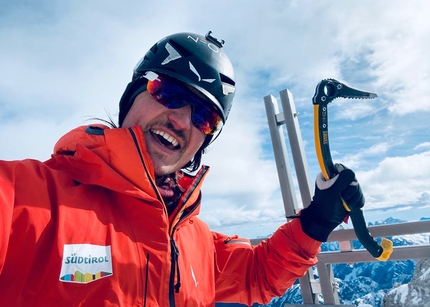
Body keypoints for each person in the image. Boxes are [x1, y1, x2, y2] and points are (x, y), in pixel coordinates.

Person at [0, 31, 364, 306]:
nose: (181, 121)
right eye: (170, 93)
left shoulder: (193, 240)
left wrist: (318, 220)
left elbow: (257, 273)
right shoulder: (25, 198)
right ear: (132, 93)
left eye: (205, 116)